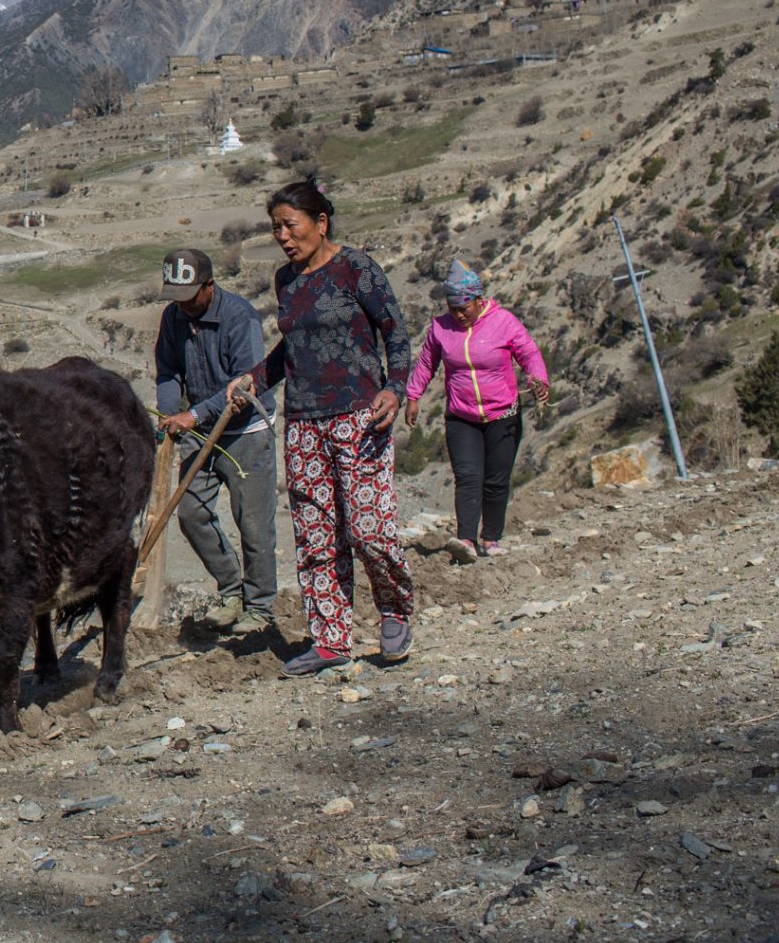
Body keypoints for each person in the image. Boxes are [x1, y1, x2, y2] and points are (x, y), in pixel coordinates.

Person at [223, 179, 417, 676]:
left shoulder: (356, 269)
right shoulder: (286, 280)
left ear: (320, 222)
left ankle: (394, 611)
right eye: (276, 229)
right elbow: (290, 352)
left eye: (290, 225)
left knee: (370, 530)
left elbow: (395, 333)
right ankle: (330, 639)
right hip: (304, 423)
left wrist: (394, 387)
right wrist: (253, 379)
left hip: (360, 415)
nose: (283, 237)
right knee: (316, 535)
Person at [152, 247, 278, 638]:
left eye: (189, 297)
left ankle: (259, 608)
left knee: (253, 525)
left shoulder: (239, 318)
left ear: (209, 285)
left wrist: (194, 414)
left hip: (245, 431)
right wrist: (169, 414)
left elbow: (245, 382)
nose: (182, 306)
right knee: (191, 514)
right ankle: (231, 589)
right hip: (202, 430)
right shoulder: (174, 317)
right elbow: (168, 371)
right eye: (176, 297)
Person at [404, 258, 549, 559]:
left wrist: (538, 379)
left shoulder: (504, 322)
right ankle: (466, 541)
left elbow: (529, 353)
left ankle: (491, 538)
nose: (459, 315)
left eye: (464, 308)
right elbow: (427, 363)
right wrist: (413, 396)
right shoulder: (440, 328)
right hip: (462, 416)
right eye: (453, 309)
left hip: (502, 414)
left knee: (495, 480)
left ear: (479, 300)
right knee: (468, 476)